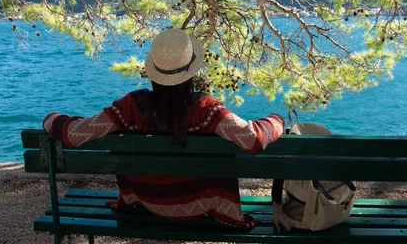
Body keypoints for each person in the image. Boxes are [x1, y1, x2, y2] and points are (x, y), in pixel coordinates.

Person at [42, 28, 285, 229]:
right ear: (192, 73)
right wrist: (276, 121)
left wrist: (51, 119)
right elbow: (252, 139)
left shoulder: (130, 107)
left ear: (154, 73)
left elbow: (75, 135)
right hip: (202, 206)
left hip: (147, 202)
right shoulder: (205, 110)